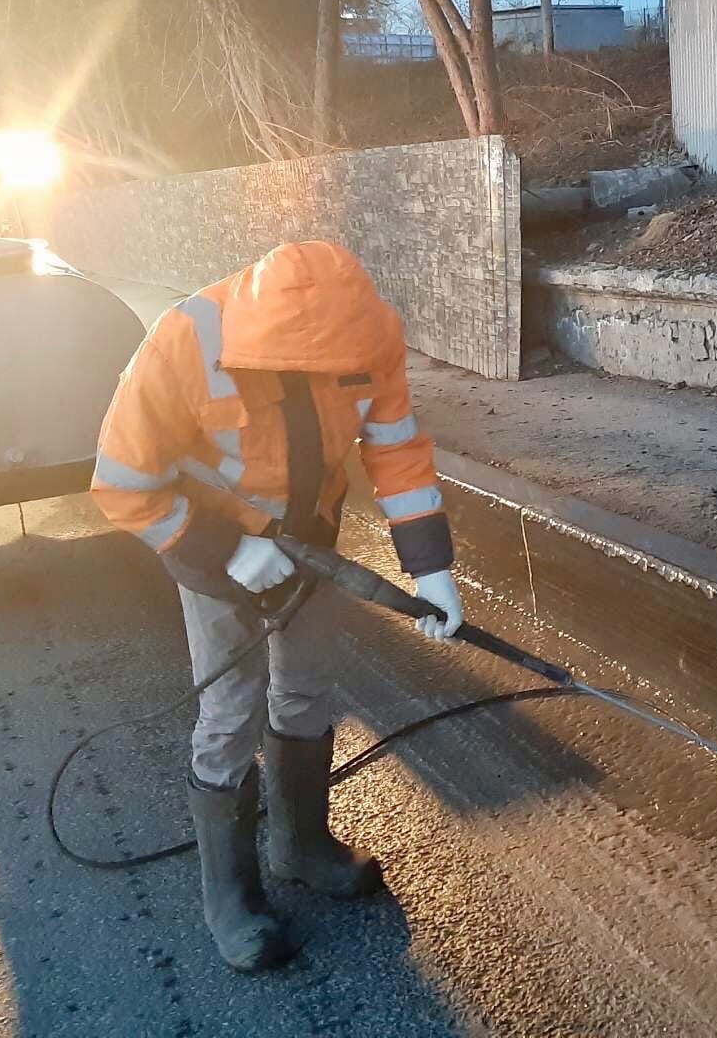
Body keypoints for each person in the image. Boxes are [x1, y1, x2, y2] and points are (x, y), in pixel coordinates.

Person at [91, 241, 464, 971]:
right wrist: (225, 547)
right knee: (230, 710)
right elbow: (122, 481)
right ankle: (230, 897)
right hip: (212, 551)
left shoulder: (370, 335)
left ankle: (300, 845)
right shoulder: (187, 339)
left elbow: (395, 450)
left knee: (307, 691)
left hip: (309, 546)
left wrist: (433, 569)